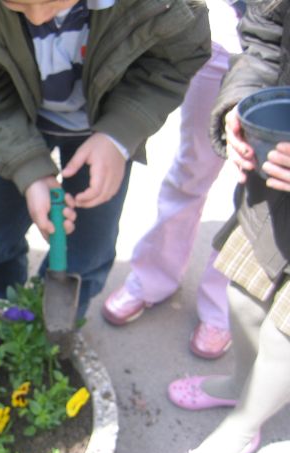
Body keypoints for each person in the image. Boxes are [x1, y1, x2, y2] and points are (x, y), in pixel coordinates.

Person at [0, 0, 211, 320]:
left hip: (106, 124)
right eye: (16, 4)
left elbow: (174, 60)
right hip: (7, 125)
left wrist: (119, 135)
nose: (37, 18)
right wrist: (28, 169)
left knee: (88, 249)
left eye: (51, 2)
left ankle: (58, 328)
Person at [167, 2, 290, 453]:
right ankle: (243, 382)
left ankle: (244, 425)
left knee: (283, 334)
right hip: (275, 187)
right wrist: (243, 101)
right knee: (243, 297)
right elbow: (264, 34)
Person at [101, 0, 244, 359]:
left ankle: (222, 304)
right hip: (223, 36)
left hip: (281, 66)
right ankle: (153, 277)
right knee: (191, 168)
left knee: (256, 195)